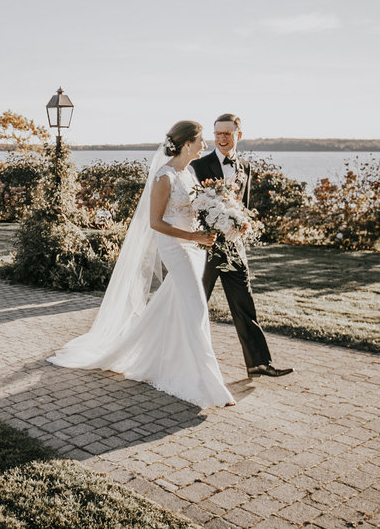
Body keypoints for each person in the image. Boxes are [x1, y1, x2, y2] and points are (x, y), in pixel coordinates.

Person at [49, 121, 235, 408]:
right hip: (176, 247)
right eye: (201, 141)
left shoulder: (189, 174)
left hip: (195, 248)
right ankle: (206, 382)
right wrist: (193, 235)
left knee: (176, 304)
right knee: (197, 307)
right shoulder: (164, 177)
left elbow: (196, 209)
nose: (205, 146)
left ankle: (163, 359)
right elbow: (156, 222)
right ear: (187, 144)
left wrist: (221, 219)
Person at [191, 113, 292, 378]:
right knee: (194, 304)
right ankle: (177, 361)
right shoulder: (199, 166)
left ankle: (259, 363)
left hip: (234, 248)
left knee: (244, 304)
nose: (222, 138)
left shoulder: (245, 166)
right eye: (218, 134)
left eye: (227, 133)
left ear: (238, 135)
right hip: (207, 248)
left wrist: (242, 226)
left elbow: (242, 206)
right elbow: (192, 207)